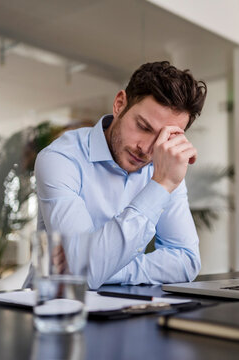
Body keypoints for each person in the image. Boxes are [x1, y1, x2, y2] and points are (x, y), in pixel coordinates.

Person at [26, 61, 207, 289]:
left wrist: (105, 267)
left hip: (124, 309)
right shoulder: (61, 159)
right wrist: (160, 185)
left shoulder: (166, 169)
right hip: (54, 312)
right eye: (143, 126)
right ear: (120, 104)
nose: (147, 149)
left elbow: (187, 261)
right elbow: (83, 273)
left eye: (165, 138)